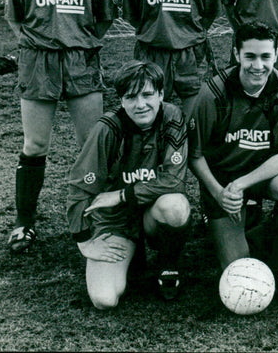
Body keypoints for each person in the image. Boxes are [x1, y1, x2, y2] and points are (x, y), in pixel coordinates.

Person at [4, 0, 116, 253]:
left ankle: (97, 216)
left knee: (92, 144)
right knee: (35, 144)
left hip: (81, 61)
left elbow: (103, 19)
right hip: (38, 63)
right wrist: (41, 43)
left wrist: (77, 40)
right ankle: (24, 222)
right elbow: (15, 19)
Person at [187, 21, 278, 306]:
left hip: (256, 177)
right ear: (237, 54)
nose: (258, 65)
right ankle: (235, 224)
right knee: (238, 267)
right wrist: (219, 192)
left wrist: (242, 184)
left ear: (274, 56)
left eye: (265, 57)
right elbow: (195, 155)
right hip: (222, 182)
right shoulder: (213, 92)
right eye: (250, 56)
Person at [66, 61, 191, 308]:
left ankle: (168, 266)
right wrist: (83, 241)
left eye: (147, 95)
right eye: (131, 97)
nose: (141, 104)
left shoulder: (172, 116)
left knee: (175, 207)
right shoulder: (108, 128)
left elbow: (173, 179)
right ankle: (134, 255)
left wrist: (122, 194)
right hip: (117, 219)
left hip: (152, 211)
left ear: (161, 94)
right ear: (121, 100)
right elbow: (81, 184)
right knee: (105, 299)